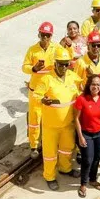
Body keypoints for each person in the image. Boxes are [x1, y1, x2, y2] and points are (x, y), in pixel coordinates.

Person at [32, 46, 82, 190]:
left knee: (67, 149)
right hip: (51, 126)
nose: (64, 67)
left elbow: (82, 87)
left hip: (68, 124)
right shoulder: (47, 79)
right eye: (61, 64)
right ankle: (49, 176)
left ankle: (65, 169)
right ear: (55, 63)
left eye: (66, 64)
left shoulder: (73, 77)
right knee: (50, 154)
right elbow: (36, 95)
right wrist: (43, 100)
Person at [22, 21, 58, 159]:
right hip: (35, 91)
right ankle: (34, 145)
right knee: (35, 119)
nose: (45, 38)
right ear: (39, 34)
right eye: (43, 35)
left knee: (51, 117)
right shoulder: (32, 50)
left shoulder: (56, 48)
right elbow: (24, 66)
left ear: (51, 36)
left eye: (48, 36)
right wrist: (33, 69)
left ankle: (49, 142)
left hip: (50, 90)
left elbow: (65, 58)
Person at [74, 74, 100, 197]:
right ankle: (83, 184)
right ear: (88, 85)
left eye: (98, 84)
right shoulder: (82, 99)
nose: (95, 86)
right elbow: (76, 119)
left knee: (97, 158)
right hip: (87, 134)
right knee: (87, 160)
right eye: (93, 84)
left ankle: (93, 179)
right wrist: (80, 137)